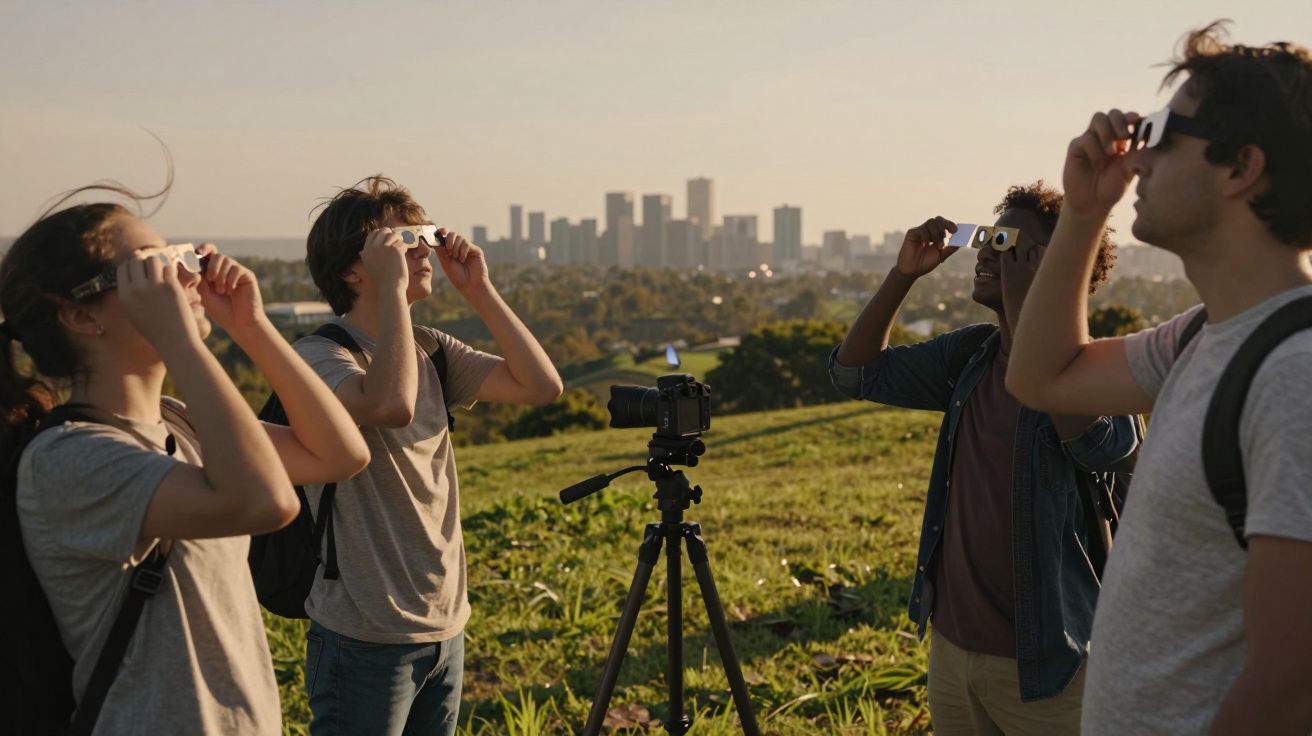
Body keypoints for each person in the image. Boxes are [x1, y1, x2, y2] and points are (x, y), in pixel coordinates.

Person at [1005, 24, 1312, 735]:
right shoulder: (1205, 335)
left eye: (1161, 132)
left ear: (1241, 168)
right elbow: (1043, 377)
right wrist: (1083, 213)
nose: (1135, 158)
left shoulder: (1292, 373)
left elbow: (1292, 682)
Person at [0, 185, 370, 734]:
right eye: (153, 270)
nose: (188, 277)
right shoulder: (68, 457)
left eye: (180, 257)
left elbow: (341, 454)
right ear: (80, 314)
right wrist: (180, 338)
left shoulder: (178, 420)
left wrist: (249, 325)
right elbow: (263, 501)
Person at [829, 182, 1139, 735]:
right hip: (952, 651)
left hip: (1053, 664)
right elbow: (857, 374)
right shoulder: (972, 354)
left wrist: (1030, 300)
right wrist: (903, 274)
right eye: (990, 238)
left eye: (1010, 243)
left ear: (1062, 261)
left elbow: (1098, 448)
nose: (989, 253)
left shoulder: (1098, 367)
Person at [294, 176, 562, 736]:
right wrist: (392, 291)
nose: (423, 252)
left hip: (444, 623)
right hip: (363, 631)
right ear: (352, 269)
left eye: (425, 237)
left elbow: (541, 387)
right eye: (403, 242)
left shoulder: (432, 349)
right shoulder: (319, 356)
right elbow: (388, 404)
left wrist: (480, 290)